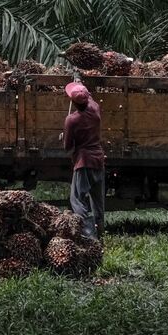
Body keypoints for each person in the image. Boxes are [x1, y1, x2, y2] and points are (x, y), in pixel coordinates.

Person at [63, 81, 106, 240]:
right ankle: (101, 232)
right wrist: (80, 84)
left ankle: (88, 236)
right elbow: (89, 98)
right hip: (98, 160)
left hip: (83, 163)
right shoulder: (95, 109)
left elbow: (68, 147)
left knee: (77, 200)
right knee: (98, 200)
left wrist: (66, 135)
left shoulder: (71, 120)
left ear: (73, 103)